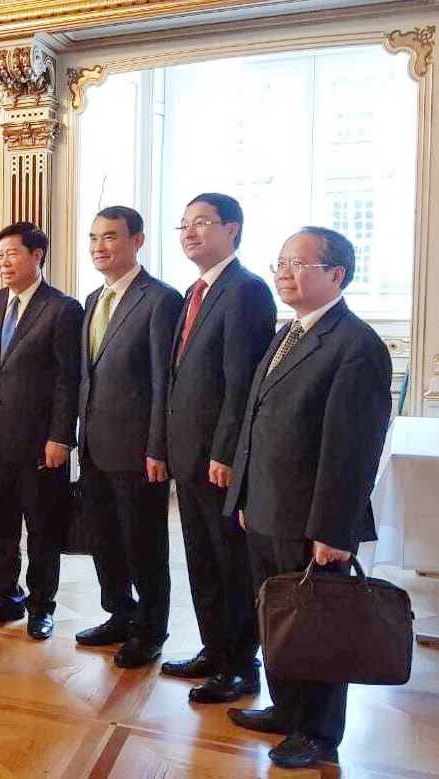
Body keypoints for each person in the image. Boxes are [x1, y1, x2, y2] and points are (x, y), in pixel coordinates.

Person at [226, 227, 391, 770]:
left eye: (298, 263)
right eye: (279, 262)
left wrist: (334, 531)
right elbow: (258, 419)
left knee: (318, 626)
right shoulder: (289, 331)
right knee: (278, 617)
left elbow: (353, 451)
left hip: (312, 520)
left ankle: (318, 732)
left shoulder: (356, 345)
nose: (283, 273)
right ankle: (287, 708)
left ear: (336, 274)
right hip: (267, 508)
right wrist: (246, 494)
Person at [162, 193, 277, 702]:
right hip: (188, 454)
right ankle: (214, 649)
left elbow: (240, 383)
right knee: (201, 560)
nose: (190, 233)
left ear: (233, 230)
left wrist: (226, 452)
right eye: (184, 224)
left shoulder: (246, 290)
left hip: (217, 460)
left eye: (202, 223)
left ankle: (240, 666)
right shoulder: (196, 291)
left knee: (231, 565)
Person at [76, 206, 183, 668]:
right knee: (105, 540)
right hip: (94, 445)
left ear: (137, 241)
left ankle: (151, 629)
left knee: (145, 545)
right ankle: (119, 614)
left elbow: (163, 382)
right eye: (93, 238)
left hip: (138, 450)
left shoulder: (160, 299)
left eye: (110, 237)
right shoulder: (92, 300)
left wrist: (158, 447)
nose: (99, 247)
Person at [0, 222, 82, 639]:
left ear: (37, 256)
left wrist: (60, 437)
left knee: (42, 527)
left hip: (39, 441)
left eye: (13, 253)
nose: (4, 262)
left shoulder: (62, 308)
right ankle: (5, 595)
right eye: (0, 255)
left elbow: (68, 380)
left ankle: (41, 605)